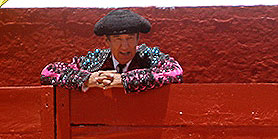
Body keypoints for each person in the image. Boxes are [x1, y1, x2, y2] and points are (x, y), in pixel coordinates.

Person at [41, 9, 183, 93]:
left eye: (130, 38)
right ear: (107, 42)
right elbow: (49, 72)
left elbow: (175, 72)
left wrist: (123, 80)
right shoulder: (97, 60)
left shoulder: (147, 56)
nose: (125, 46)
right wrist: (88, 79)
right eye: (117, 39)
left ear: (137, 39)